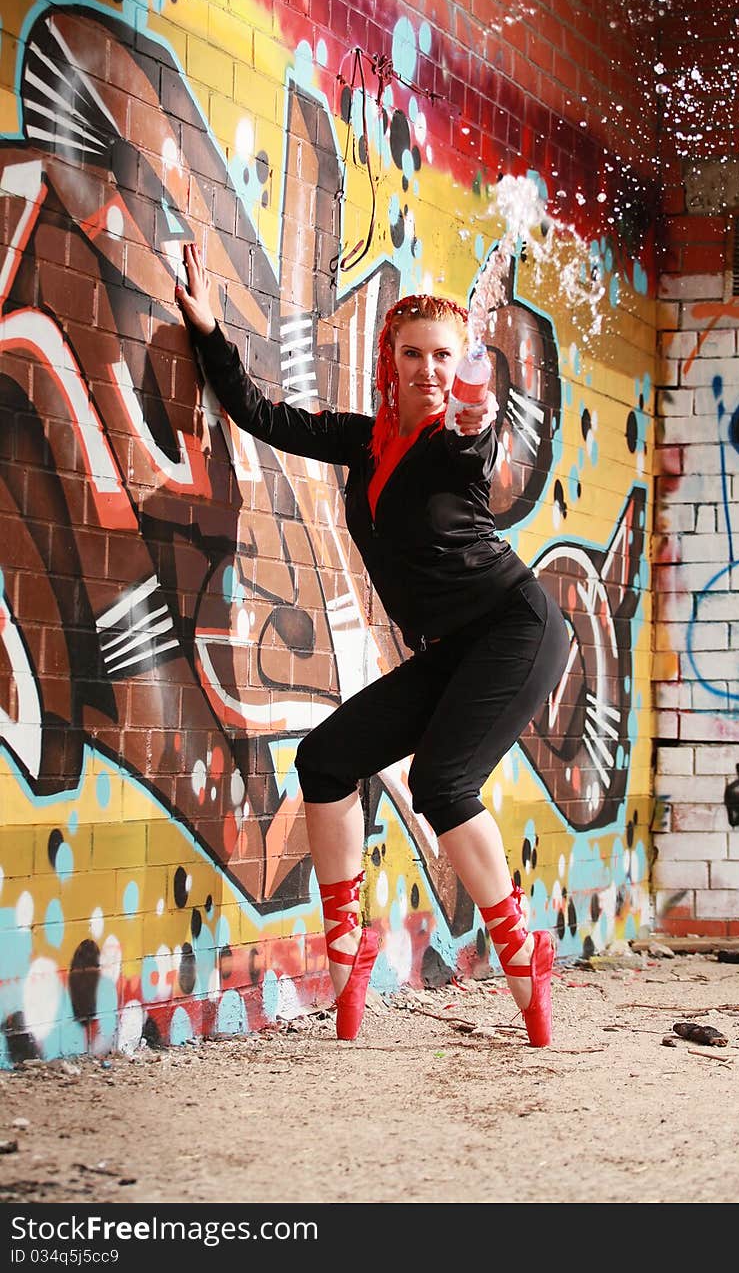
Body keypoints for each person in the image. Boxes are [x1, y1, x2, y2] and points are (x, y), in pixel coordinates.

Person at [175, 242, 570, 1045]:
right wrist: (211, 330)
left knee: (442, 782)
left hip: (517, 628)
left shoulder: (459, 443)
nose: (427, 369)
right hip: (454, 648)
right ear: (388, 361)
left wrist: (473, 389)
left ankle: (522, 951)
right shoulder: (367, 441)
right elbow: (261, 414)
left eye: (443, 358)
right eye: (413, 354)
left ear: (461, 367)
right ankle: (348, 952)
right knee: (324, 760)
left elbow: (473, 429)